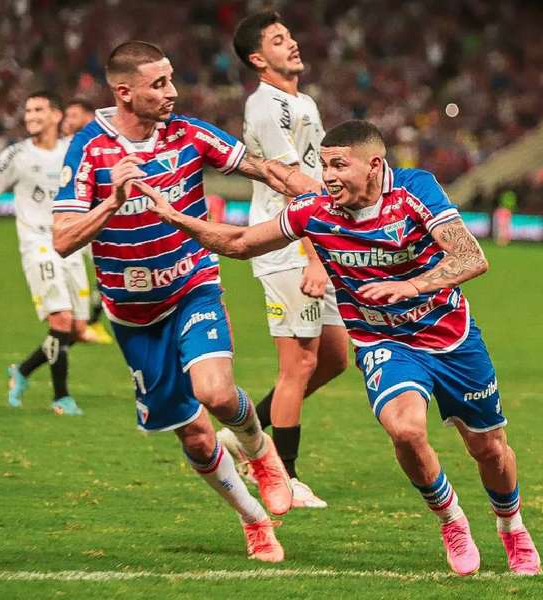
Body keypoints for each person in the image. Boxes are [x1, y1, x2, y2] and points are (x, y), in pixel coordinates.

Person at [139, 120, 542, 576]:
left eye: (338, 165)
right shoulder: (314, 211)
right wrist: (175, 218)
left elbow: (472, 256)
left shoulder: (414, 190)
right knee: (405, 429)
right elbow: (240, 242)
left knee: (488, 448)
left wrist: (411, 285)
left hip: (451, 338)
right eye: (322, 165)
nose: (327, 176)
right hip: (383, 341)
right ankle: (451, 520)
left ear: (374, 165)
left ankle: (512, 528)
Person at [51, 41, 321, 563]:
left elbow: (263, 168)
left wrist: (318, 191)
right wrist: (111, 203)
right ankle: (254, 521)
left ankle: (261, 452)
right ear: (123, 92)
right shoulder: (90, 147)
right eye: (158, 84)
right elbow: (62, 239)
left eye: (171, 79)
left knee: (216, 393)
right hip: (133, 317)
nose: (172, 92)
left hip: (191, 286)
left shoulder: (189, 133)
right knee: (196, 439)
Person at [224, 11, 349, 508]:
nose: (293, 43)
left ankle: (244, 434)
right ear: (259, 59)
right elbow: (297, 192)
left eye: (291, 35)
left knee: (336, 357)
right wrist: (316, 258)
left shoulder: (303, 102)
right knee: (298, 364)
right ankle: (283, 474)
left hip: (317, 243)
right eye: (279, 40)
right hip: (288, 248)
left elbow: (320, 181)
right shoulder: (265, 106)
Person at [0, 91, 86, 416]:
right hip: (38, 245)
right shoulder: (16, 155)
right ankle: (61, 398)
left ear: (56, 115)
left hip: (72, 245)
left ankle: (22, 370)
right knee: (61, 320)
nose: (31, 116)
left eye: (38, 109)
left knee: (77, 328)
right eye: (27, 110)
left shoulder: (72, 151)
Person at [59, 98, 113, 345]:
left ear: (89, 116)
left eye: (72, 115)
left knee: (109, 272)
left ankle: (89, 321)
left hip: (97, 223)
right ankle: (76, 323)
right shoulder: (64, 147)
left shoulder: (101, 145)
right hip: (69, 224)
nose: (66, 121)